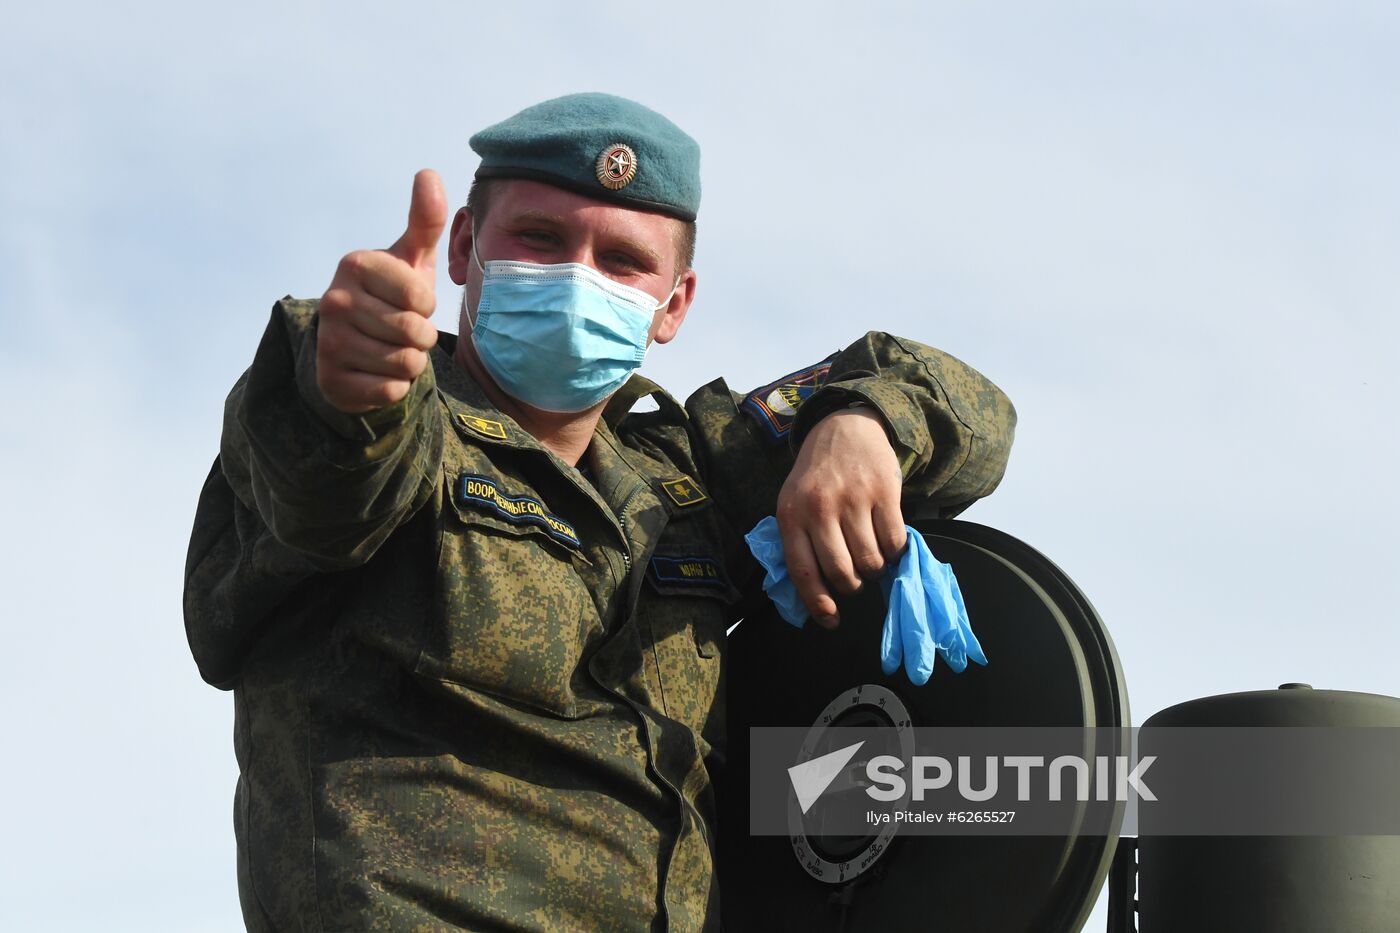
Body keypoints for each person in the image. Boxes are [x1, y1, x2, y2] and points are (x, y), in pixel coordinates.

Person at [183, 92, 1016, 931]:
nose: (579, 277)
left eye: (622, 260)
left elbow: (981, 420)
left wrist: (862, 421)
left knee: (1083, 778)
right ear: (466, 246)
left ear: (674, 305)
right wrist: (348, 392)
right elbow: (325, 488)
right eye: (540, 239)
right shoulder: (394, 415)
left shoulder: (682, 476)